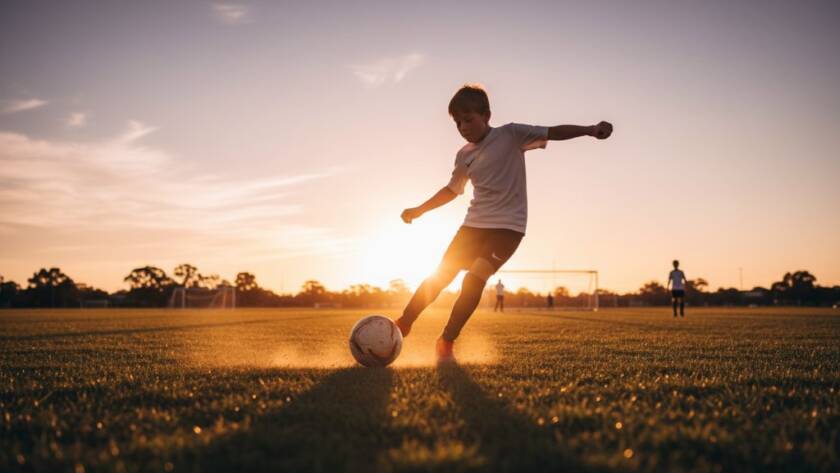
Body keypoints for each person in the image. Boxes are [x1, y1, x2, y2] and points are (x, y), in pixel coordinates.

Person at [393, 84, 612, 362]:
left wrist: (590, 129)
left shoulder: (511, 135)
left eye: (468, 119)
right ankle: (404, 322)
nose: (463, 126)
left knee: (474, 280)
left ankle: (447, 340)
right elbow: (452, 189)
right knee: (441, 275)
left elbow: (553, 132)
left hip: (508, 229)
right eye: (457, 122)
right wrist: (419, 209)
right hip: (472, 226)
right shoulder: (464, 155)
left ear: (486, 115)